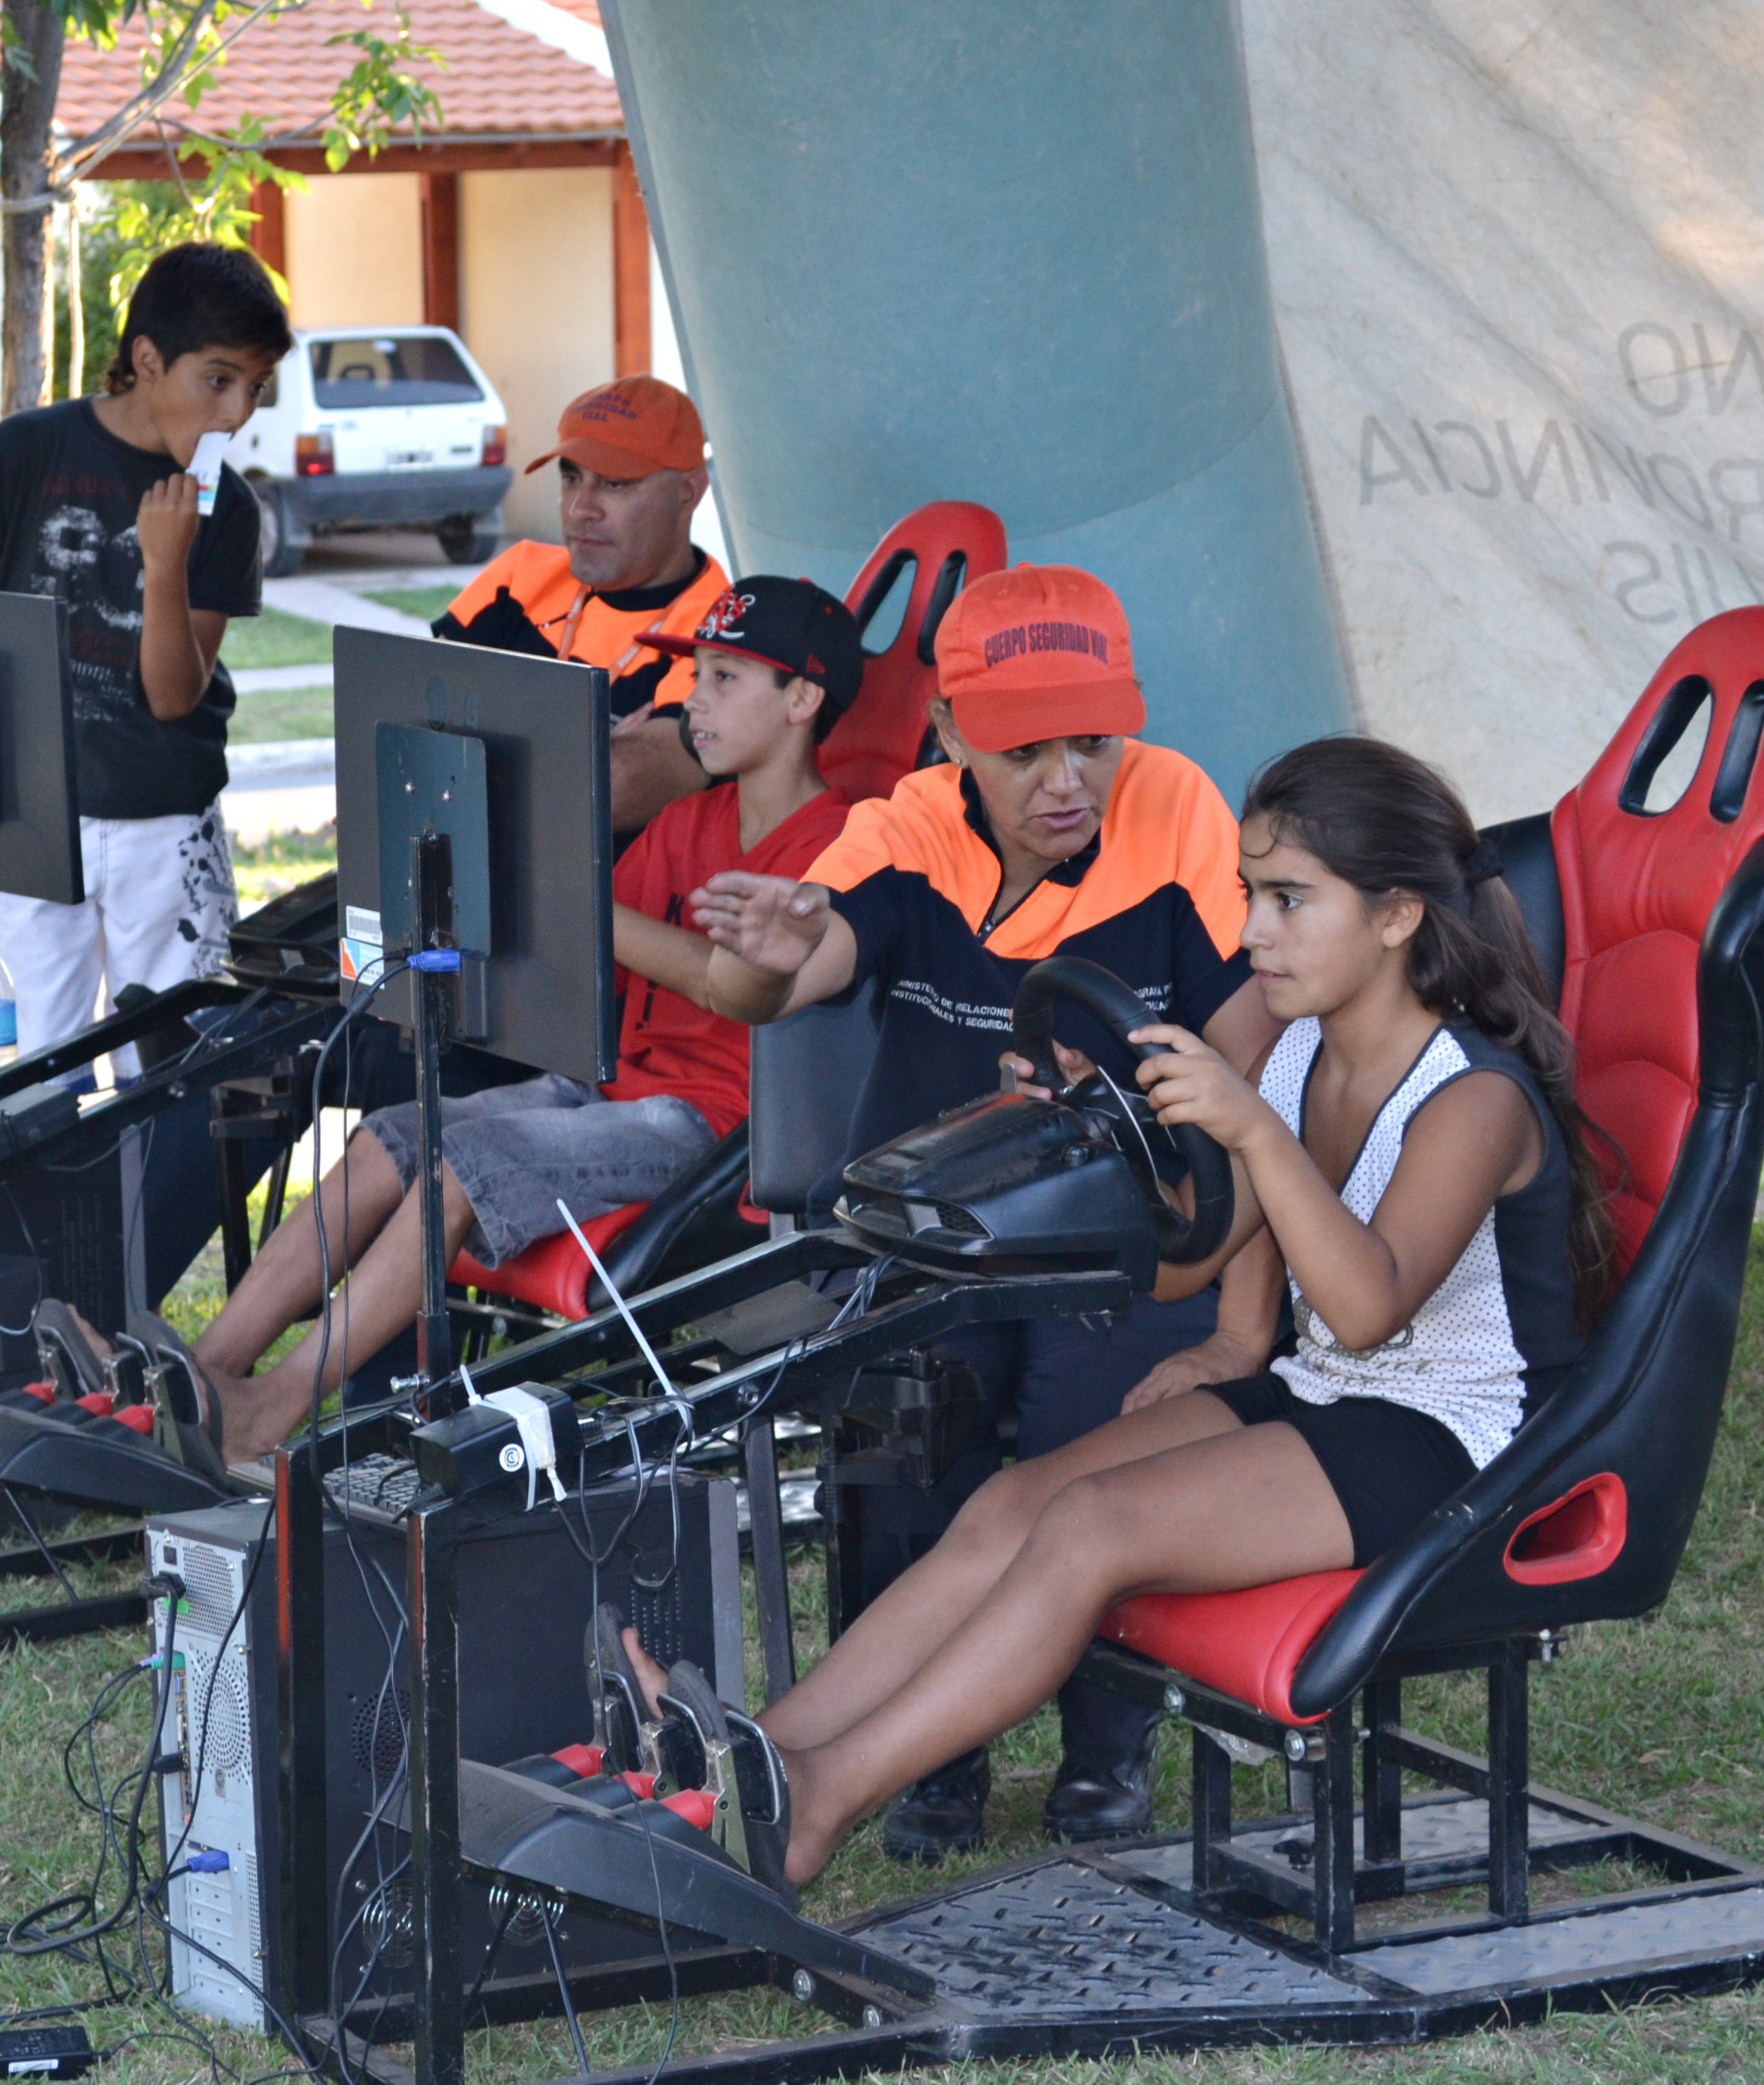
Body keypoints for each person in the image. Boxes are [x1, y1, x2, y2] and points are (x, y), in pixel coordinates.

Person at [628, 733, 1614, 1891]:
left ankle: (820, 1799)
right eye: (1251, 895)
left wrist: (1246, 1126)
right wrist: (1096, 1138)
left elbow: (1360, 1308)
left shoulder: (1471, 1097)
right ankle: (764, 1749)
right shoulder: (1287, 1037)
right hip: (1323, 1394)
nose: (1252, 932)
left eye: (1292, 901)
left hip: (1464, 1436)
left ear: (1395, 918)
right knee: (1010, 1500)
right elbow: (1188, 1261)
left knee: (1087, 1528)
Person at [693, 562, 1284, 1852]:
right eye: (1026, 751)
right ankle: (932, 1756)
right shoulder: (904, 827)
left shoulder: (1173, 807)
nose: (1067, 778)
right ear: (952, 734)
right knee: (904, 1444)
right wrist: (780, 947)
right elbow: (796, 972)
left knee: (1104, 1435)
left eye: (1092, 740)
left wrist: (1153, 1129)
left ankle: (1103, 1744)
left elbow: (1258, 1073)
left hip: (1127, 1251)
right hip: (937, 1245)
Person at [130, 577, 864, 1460]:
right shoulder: (687, 820)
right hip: (608, 1088)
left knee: (453, 1167)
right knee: (387, 1142)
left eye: (723, 680)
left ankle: (272, 1409)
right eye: (695, 676)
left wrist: (575, 897)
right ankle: (206, 1374)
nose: (693, 703)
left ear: (804, 701)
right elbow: (587, 956)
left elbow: (726, 980)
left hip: (714, 1129)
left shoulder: (845, 842)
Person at [0, 242, 291, 1061]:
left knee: (174, 1071)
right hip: (33, 818)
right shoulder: (23, 452)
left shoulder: (226, 509)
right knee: (26, 1073)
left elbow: (172, 697)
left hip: (165, 819)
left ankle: (160, 1199)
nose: (237, 413)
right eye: (219, 379)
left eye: (255, 388)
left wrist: (164, 564)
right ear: (147, 359)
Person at [434, 375, 730, 836]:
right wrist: (596, 747)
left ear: (688, 493)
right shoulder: (518, 576)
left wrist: (484, 744)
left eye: (614, 484)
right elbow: (408, 728)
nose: (581, 509)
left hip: (609, 902)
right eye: (572, 478)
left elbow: (607, 792)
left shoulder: (720, 629)